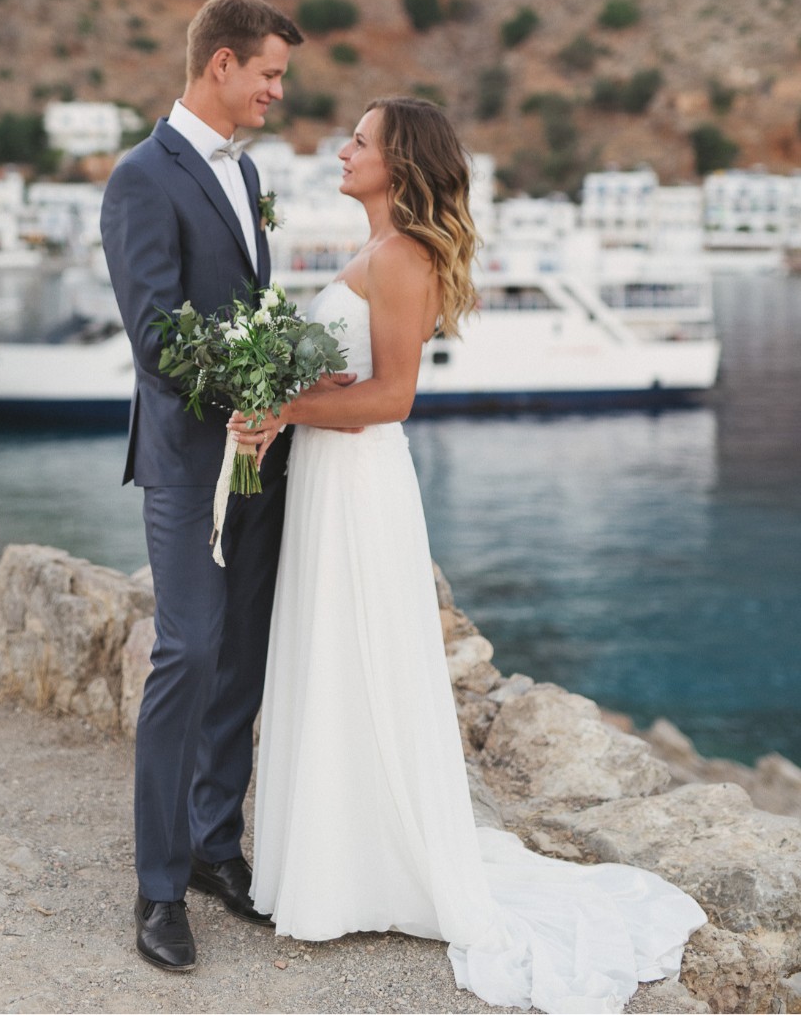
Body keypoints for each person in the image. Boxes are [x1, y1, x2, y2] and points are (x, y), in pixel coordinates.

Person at [230, 97, 707, 1013]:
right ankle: (338, 864)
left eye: (359, 142)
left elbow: (396, 397)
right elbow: (357, 378)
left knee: (358, 654)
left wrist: (284, 407)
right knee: (333, 659)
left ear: (398, 164)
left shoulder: (403, 257)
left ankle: (368, 868)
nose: (342, 149)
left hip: (361, 484)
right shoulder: (375, 253)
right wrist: (297, 393)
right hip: (331, 479)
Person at [99, 0, 308, 974]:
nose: (276, 90)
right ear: (219, 64)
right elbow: (153, 334)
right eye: (267, 72)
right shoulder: (142, 178)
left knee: (242, 659)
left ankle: (215, 848)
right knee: (186, 652)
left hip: (261, 458)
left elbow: (247, 304)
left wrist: (280, 390)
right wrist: (237, 400)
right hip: (188, 458)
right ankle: (156, 889)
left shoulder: (247, 167)